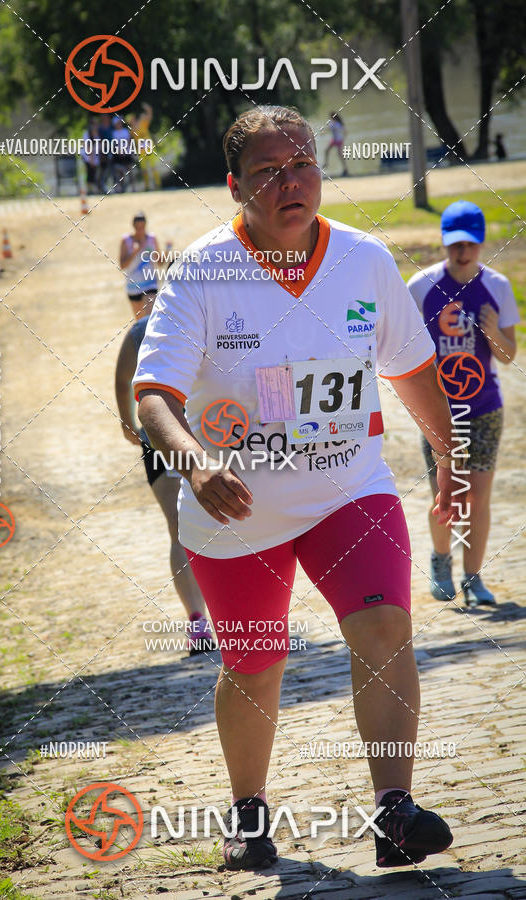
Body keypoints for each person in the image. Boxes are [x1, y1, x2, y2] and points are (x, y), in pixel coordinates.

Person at [133, 105, 456, 870]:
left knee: (384, 629)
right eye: (268, 172)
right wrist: (193, 462)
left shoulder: (365, 260)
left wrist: (450, 461)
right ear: (235, 187)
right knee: (254, 662)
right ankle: (248, 816)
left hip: (350, 489)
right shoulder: (204, 272)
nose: (291, 182)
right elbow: (153, 398)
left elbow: (412, 371)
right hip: (238, 506)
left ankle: (395, 811)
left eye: (303, 163)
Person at [408, 201, 518, 607]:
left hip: (485, 408)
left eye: (470, 243)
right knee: (447, 495)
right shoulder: (420, 286)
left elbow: (508, 355)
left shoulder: (499, 287)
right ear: (443, 242)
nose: (462, 252)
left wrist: (492, 332)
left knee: (478, 496)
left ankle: (474, 577)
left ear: (481, 242)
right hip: (438, 409)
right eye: (454, 244)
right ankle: (441, 563)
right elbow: (405, 351)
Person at [115, 316, 214, 654]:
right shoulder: (212, 316)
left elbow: (122, 377)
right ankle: (204, 618)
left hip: (163, 435)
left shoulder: (144, 328)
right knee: (207, 524)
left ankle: (201, 619)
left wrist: (128, 423)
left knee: (179, 528)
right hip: (198, 433)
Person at [119, 213, 160, 321]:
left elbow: (159, 262)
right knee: (141, 322)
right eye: (137, 228)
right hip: (133, 286)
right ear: (133, 226)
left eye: (142, 227)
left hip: (150, 284)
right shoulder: (126, 240)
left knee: (149, 320)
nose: (140, 230)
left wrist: (168, 250)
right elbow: (122, 265)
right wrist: (135, 251)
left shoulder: (151, 239)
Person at [131, 102, 162, 190]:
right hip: (141, 150)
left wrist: (148, 109)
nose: (133, 120)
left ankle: (158, 185)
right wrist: (140, 119)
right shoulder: (132, 129)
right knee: (144, 170)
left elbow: (150, 116)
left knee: (153, 167)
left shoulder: (142, 123)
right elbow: (135, 128)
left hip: (149, 147)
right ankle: (147, 187)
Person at [112, 116, 137, 193]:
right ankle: (122, 189)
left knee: (130, 170)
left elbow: (129, 141)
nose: (119, 124)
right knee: (120, 173)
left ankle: (133, 188)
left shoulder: (125, 131)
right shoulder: (114, 133)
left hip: (127, 153)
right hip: (119, 154)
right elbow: (116, 144)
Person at [324, 111, 349, 177]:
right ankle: (326, 164)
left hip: (339, 140)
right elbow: (328, 129)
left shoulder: (338, 124)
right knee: (326, 150)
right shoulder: (332, 124)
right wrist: (322, 133)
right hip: (334, 140)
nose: (330, 118)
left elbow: (345, 132)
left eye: (331, 117)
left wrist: (343, 139)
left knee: (340, 155)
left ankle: (346, 169)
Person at [81, 119, 102, 193]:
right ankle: (88, 190)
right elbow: (88, 148)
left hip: (94, 158)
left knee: (93, 174)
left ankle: (92, 189)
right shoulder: (87, 134)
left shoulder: (97, 134)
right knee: (89, 174)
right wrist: (91, 160)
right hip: (87, 157)